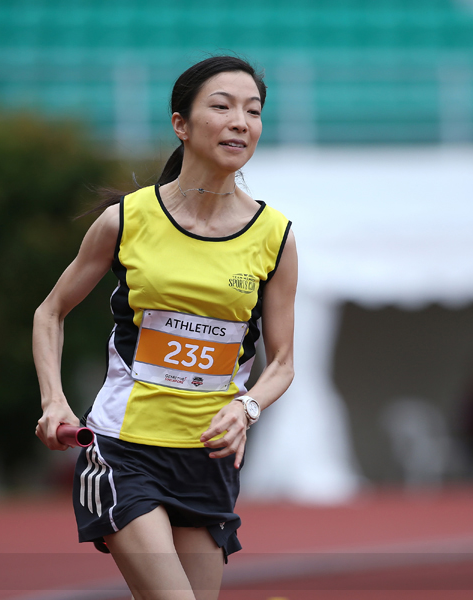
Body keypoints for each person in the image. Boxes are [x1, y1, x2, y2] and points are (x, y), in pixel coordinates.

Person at [32, 55, 297, 600]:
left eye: (253, 110)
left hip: (208, 457)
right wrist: (54, 400)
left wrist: (246, 408)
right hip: (123, 450)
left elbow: (283, 364)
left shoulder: (276, 236)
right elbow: (50, 313)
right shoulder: (126, 220)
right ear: (181, 123)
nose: (240, 121)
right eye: (221, 107)